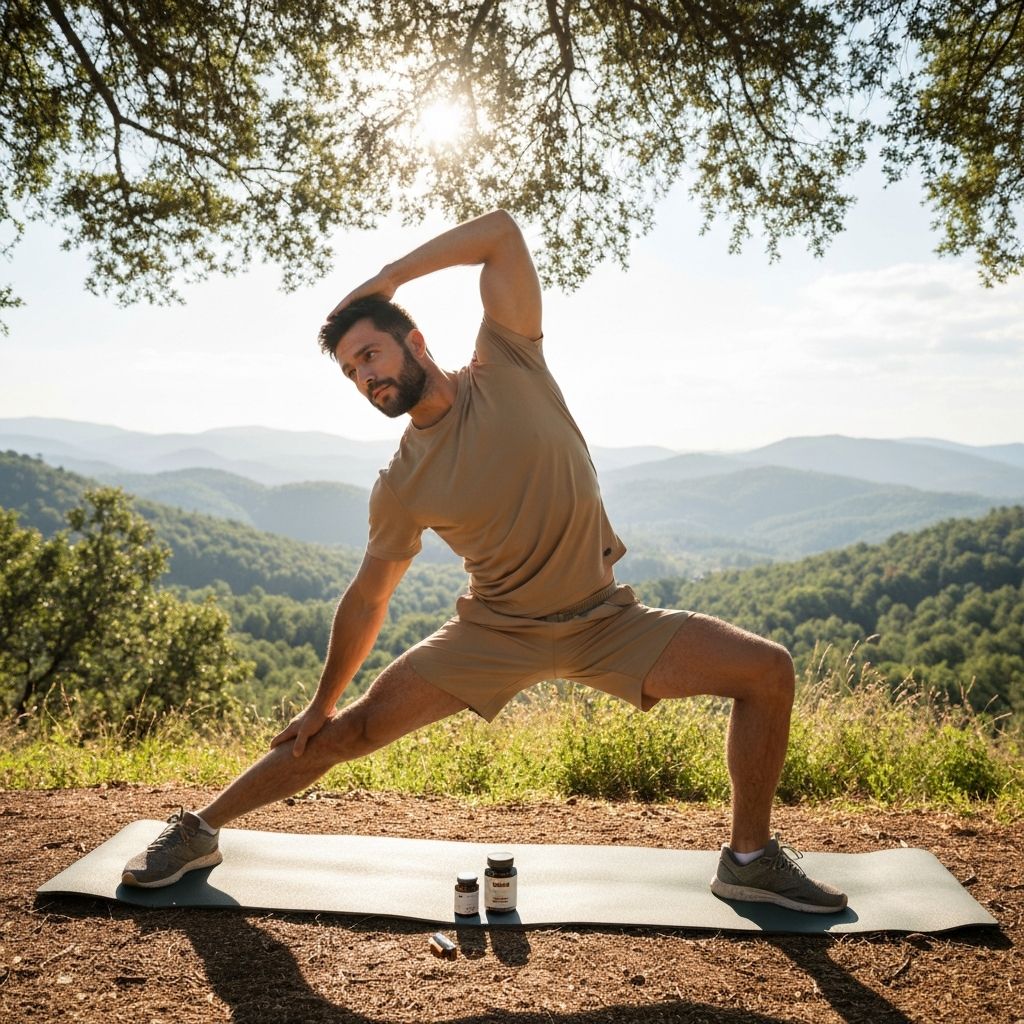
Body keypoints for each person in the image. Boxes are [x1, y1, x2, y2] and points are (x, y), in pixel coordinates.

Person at [122, 210, 847, 913]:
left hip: (606, 621)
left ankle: (749, 862)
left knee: (766, 670)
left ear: (415, 340)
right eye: (349, 373)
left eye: (369, 354)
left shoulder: (509, 362)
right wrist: (320, 702)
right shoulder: (402, 481)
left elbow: (500, 234)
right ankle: (198, 829)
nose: (365, 379)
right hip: (494, 633)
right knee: (348, 734)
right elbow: (370, 596)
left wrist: (389, 275)